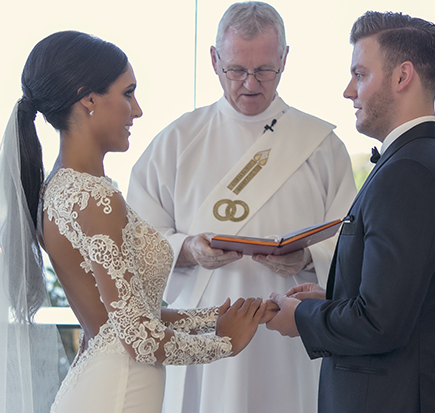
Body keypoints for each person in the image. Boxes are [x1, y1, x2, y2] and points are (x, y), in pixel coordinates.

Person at [0, 31, 267, 413]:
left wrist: (219, 317)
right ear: (88, 98)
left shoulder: (58, 189)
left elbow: (127, 320)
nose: (137, 110)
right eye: (128, 93)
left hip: (105, 383)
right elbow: (140, 339)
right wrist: (226, 344)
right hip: (118, 392)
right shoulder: (94, 199)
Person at [126, 2, 356, 412]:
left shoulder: (321, 146)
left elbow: (351, 240)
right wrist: (186, 248)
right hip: (204, 335)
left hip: (290, 335)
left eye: (265, 70)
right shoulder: (177, 141)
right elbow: (136, 239)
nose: (250, 84)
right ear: (215, 60)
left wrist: (307, 255)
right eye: (236, 70)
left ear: (285, 58)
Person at [266, 11, 435, 413]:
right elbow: (412, 303)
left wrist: (303, 319)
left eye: (360, 74)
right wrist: (333, 297)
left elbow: (381, 323)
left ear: (402, 76)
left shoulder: (410, 173)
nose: (348, 91)